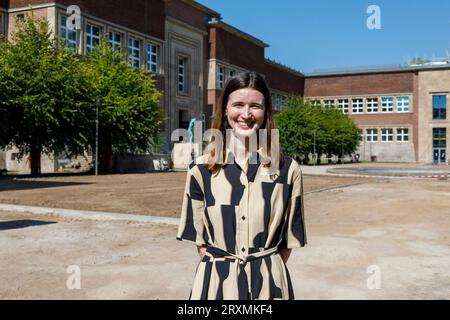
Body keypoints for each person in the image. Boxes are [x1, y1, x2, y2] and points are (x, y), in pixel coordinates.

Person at [176, 71, 307, 300]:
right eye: (238, 104)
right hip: (217, 284)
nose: (246, 114)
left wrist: (259, 267)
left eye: (255, 106)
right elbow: (200, 243)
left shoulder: (287, 170)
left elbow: (287, 242)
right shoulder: (201, 169)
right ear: (225, 110)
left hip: (269, 285)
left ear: (266, 112)